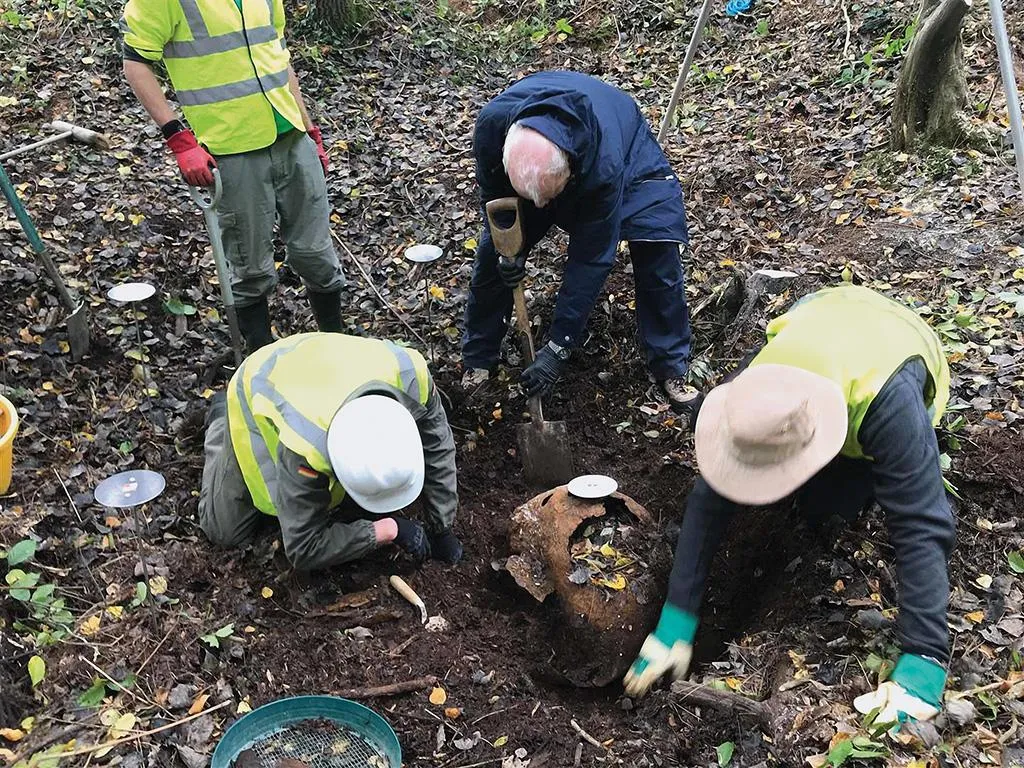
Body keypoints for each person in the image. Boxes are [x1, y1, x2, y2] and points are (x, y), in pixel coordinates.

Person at [624, 285, 956, 725]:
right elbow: (708, 495)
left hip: (901, 343)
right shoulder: (751, 389)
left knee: (830, 507)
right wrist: (676, 616)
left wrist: (924, 661)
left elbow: (921, 523)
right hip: (824, 311)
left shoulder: (888, 404)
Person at [461, 71, 698, 414]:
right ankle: (478, 357)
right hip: (539, 171)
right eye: (536, 201)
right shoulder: (492, 127)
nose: (542, 210)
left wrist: (559, 347)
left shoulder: (606, 164)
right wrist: (505, 249)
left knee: (657, 244)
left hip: (627, 151)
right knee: (491, 259)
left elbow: (588, 261)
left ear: (569, 171)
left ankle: (670, 366)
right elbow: (494, 197)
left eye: (548, 199)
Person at [120, 0, 347, 352]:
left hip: (291, 138)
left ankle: (337, 344)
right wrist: (179, 140)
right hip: (231, 147)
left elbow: (279, 56)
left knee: (316, 253)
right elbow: (135, 64)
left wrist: (308, 127)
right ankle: (259, 360)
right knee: (250, 268)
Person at [198, 333, 463, 570]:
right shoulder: (305, 444)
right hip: (259, 384)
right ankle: (221, 419)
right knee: (224, 531)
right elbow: (303, 548)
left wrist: (441, 526)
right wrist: (388, 528)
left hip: (324, 362)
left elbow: (437, 447)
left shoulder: (412, 377)